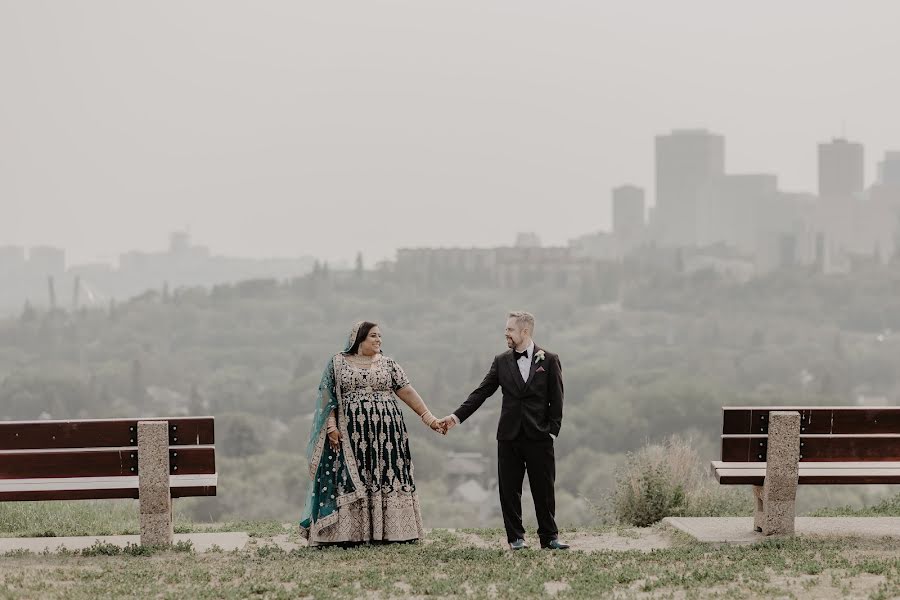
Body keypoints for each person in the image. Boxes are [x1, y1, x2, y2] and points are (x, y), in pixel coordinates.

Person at [300, 321, 445, 546]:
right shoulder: (338, 363)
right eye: (373, 336)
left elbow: (406, 391)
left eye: (380, 336)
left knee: (386, 476)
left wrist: (429, 419)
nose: (379, 340)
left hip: (387, 435)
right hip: (350, 437)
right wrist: (331, 427)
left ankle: (394, 532)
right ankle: (345, 535)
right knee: (350, 478)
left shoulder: (389, 364)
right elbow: (327, 397)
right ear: (359, 339)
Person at [441, 311, 569, 550]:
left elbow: (557, 399)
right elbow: (481, 393)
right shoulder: (501, 361)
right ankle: (516, 538)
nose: (506, 333)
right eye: (506, 329)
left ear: (525, 331)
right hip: (508, 436)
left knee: (544, 488)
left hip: (539, 436)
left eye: (510, 329)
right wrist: (455, 417)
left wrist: (552, 431)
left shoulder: (549, 360)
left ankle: (549, 537)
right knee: (509, 490)